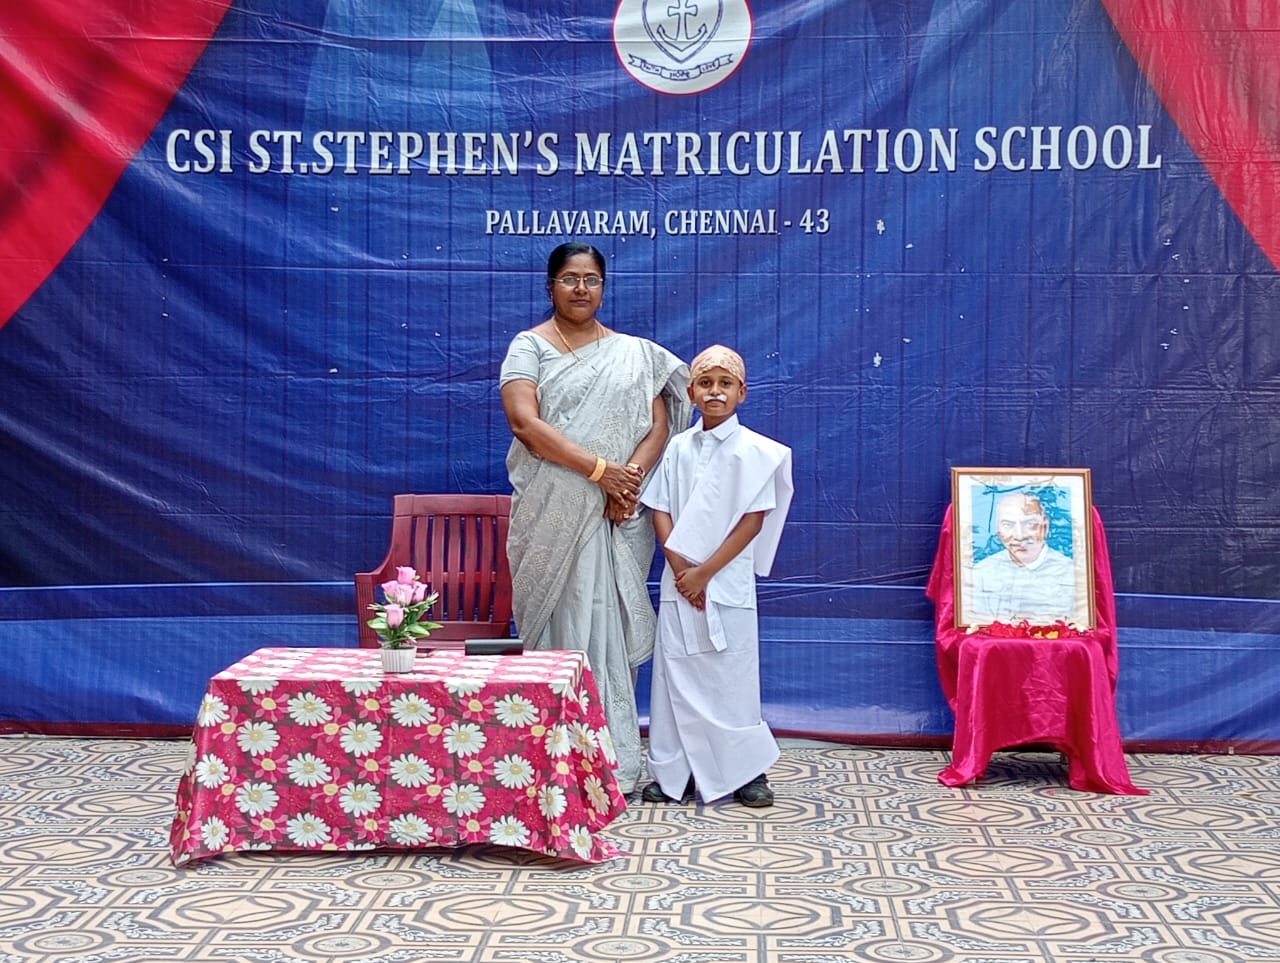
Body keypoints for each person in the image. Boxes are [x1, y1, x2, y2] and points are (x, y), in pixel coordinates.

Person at [500, 242, 691, 794]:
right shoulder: (529, 347)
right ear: (550, 287)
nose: (580, 288)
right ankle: (549, 761)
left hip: (615, 511)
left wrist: (626, 481)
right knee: (560, 625)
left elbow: (659, 425)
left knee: (606, 625)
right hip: (553, 510)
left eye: (590, 279)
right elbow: (524, 423)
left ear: (603, 288)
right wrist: (600, 471)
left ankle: (609, 761)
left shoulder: (635, 354)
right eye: (569, 278)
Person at [638, 345, 793, 807]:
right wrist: (680, 570)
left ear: (742, 392)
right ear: (691, 392)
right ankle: (676, 770)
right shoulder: (677, 449)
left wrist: (704, 573)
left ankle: (746, 772)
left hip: (725, 581)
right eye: (705, 383)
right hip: (680, 579)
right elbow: (659, 509)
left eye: (725, 383)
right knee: (676, 673)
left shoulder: (756, 453)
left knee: (732, 677)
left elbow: (753, 520)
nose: (715, 392)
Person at [969, 490, 1078, 621]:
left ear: (1045, 525)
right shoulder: (981, 573)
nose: (1019, 536)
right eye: (1007, 525)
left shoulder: (1072, 573)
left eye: (1030, 524)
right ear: (997, 529)